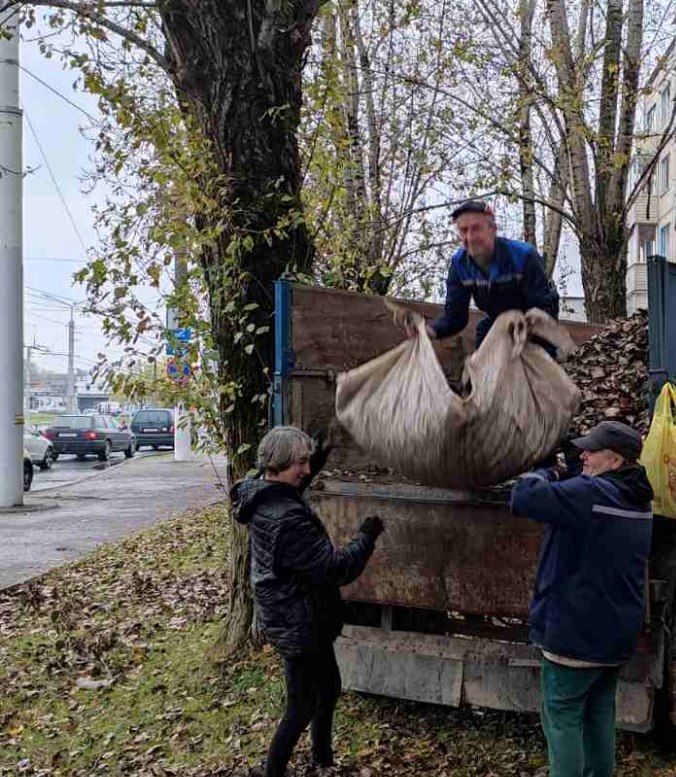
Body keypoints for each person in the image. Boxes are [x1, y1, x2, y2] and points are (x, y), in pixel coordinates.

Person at [230, 426, 385, 777]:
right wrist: (366, 536)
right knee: (300, 707)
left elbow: (291, 483)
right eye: (300, 463)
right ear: (278, 465)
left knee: (328, 688)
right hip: (299, 622)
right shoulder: (286, 520)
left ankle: (322, 760)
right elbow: (334, 569)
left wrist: (320, 451)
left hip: (298, 614)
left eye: (307, 461)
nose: (307, 470)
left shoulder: (264, 491)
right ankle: (274, 772)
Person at [509, 421, 654, 777]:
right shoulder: (638, 498)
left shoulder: (591, 496)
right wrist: (574, 462)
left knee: (562, 718)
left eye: (592, 451)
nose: (585, 455)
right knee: (599, 714)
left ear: (616, 461)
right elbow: (583, 496)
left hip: (575, 634)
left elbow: (523, 497)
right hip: (614, 635)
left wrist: (544, 470)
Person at [419, 199, 560, 350]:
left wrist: (518, 338)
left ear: (493, 229)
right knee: (484, 337)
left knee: (533, 355)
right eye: (463, 230)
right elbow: (455, 318)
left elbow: (541, 309)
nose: (470, 237)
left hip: (538, 324)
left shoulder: (523, 256)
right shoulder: (460, 264)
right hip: (498, 321)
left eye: (476, 229)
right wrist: (430, 331)